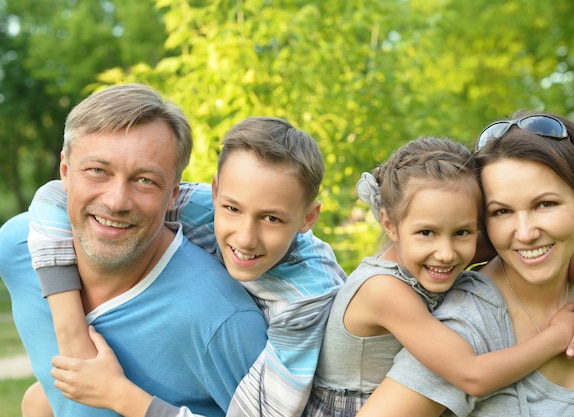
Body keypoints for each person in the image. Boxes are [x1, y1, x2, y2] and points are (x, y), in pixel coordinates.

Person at [25, 116, 347, 417]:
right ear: (216, 191)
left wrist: (120, 394)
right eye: (232, 208)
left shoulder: (307, 298)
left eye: (271, 218)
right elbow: (53, 196)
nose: (246, 238)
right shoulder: (200, 207)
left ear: (308, 218)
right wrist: (71, 332)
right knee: (36, 401)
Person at [0, 83, 268, 417]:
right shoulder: (16, 247)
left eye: (145, 180)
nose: (116, 201)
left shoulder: (220, 318)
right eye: (98, 170)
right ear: (65, 172)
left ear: (173, 194)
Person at [302, 136, 574, 417]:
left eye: (463, 232)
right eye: (426, 232)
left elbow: (554, 247)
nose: (447, 253)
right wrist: (556, 337)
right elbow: (473, 376)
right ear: (390, 224)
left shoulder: (440, 252)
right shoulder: (384, 289)